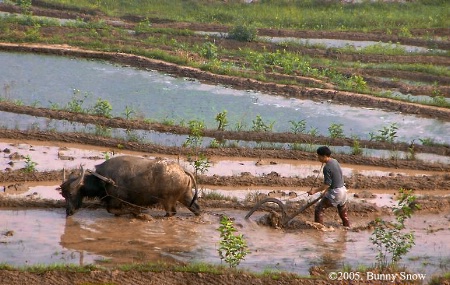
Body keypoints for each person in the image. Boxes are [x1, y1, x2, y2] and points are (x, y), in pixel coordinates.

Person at [307, 146, 350, 228]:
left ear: (324, 156)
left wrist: (314, 191)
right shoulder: (334, 161)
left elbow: (327, 184)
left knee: (319, 209)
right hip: (343, 191)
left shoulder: (327, 168)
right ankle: (347, 226)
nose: (318, 158)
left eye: (319, 156)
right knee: (342, 210)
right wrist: (326, 192)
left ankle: (319, 231)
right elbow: (335, 179)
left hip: (336, 193)